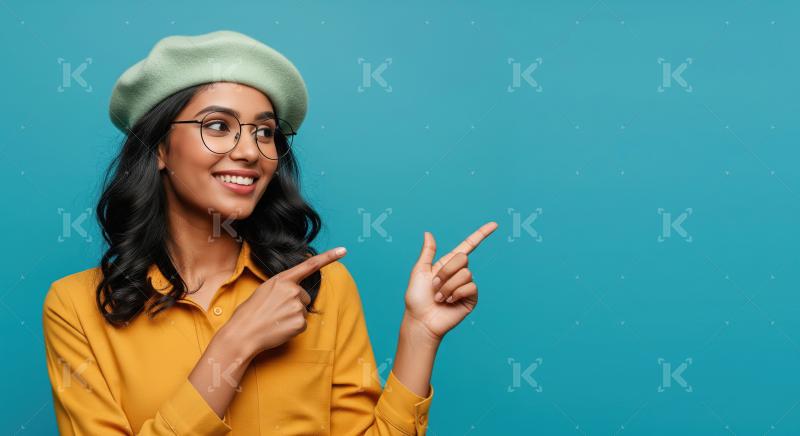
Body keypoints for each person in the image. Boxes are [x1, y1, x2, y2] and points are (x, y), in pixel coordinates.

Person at [42, 30, 498, 435]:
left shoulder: (324, 286)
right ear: (160, 147)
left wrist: (420, 333)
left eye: (264, 132)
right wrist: (235, 346)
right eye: (218, 127)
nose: (250, 151)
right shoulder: (76, 308)